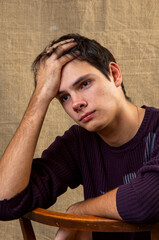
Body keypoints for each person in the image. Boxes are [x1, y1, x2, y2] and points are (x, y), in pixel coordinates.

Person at [0, 33, 159, 240]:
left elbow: (146, 201)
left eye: (84, 84)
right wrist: (41, 96)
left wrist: (78, 212)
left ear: (114, 74)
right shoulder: (78, 143)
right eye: (63, 97)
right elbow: (5, 202)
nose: (76, 103)